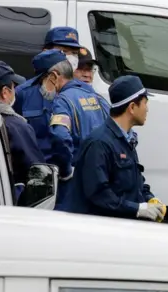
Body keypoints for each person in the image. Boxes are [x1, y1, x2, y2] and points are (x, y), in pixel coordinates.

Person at [66, 75, 164, 221]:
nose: (147, 109)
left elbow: (135, 181)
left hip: (120, 226)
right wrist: (137, 209)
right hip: (100, 230)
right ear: (132, 107)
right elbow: (98, 193)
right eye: (145, 103)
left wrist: (149, 199)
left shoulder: (126, 139)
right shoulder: (99, 143)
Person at [44, 50, 110, 210]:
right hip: (102, 182)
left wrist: (66, 170)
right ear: (71, 70)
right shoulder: (100, 100)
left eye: (90, 69)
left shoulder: (63, 101)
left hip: (76, 184)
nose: (87, 74)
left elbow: (60, 136)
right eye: (82, 69)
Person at [13, 27, 84, 160]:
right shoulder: (23, 93)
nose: (70, 58)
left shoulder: (83, 92)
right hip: (37, 171)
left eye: (74, 53)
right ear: (46, 52)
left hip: (71, 170)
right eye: (64, 51)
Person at [0, 61, 44, 201]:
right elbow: (37, 172)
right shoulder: (16, 127)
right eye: (14, 87)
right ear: (5, 93)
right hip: (10, 204)